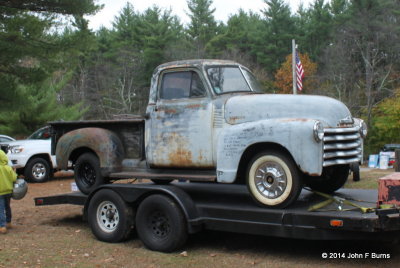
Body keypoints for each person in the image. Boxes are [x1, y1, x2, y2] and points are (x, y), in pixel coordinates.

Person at [0, 150, 17, 234]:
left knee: (1, 209)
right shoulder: (8, 168)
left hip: (0, 193)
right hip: (8, 192)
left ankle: (2, 226)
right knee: (7, 207)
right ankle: (9, 222)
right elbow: (14, 178)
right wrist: (14, 172)